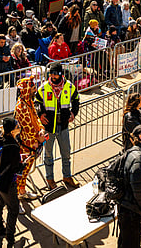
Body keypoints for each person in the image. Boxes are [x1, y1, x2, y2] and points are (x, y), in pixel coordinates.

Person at [37, 62, 79, 190]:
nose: (53, 76)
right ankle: (50, 179)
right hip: (49, 128)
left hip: (63, 127)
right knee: (48, 155)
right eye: (51, 74)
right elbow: (36, 102)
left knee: (66, 153)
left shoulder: (69, 87)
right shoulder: (43, 88)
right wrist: (40, 114)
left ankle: (67, 176)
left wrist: (73, 113)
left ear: (61, 74)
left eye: (55, 74)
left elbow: (76, 100)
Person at [117, 123, 141, 248]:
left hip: (125, 207)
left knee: (124, 242)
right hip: (131, 211)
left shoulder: (134, 152)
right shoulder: (139, 158)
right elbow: (138, 189)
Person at [0, 118, 23, 248]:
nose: (19, 126)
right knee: (13, 209)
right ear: (12, 130)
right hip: (9, 182)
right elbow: (16, 168)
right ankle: (10, 238)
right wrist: (23, 163)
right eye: (17, 125)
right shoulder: (13, 146)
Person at [12, 76, 45, 201]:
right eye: (32, 88)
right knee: (20, 173)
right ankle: (15, 200)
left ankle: (22, 191)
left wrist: (41, 128)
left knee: (25, 172)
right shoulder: (21, 107)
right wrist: (38, 136)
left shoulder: (29, 102)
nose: (34, 90)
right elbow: (27, 128)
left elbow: (36, 117)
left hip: (33, 144)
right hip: (25, 146)